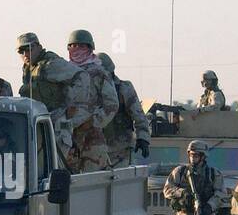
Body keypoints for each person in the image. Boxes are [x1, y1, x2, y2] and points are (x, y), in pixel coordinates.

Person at [18, 32, 83, 161]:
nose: (25, 54)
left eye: (29, 49)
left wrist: (71, 104)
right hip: (40, 122)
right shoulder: (28, 68)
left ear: (39, 47)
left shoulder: (51, 64)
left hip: (57, 122)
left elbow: (81, 77)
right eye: (22, 51)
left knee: (56, 164)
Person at [64, 29, 119, 172]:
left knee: (94, 182)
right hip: (67, 137)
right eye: (73, 46)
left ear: (90, 48)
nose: (76, 50)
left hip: (92, 137)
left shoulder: (99, 72)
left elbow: (112, 104)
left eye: (81, 46)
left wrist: (92, 122)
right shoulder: (63, 72)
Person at [100, 52, 151, 167]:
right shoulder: (90, 91)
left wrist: (143, 138)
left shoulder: (124, 88)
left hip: (121, 151)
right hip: (95, 151)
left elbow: (139, 116)